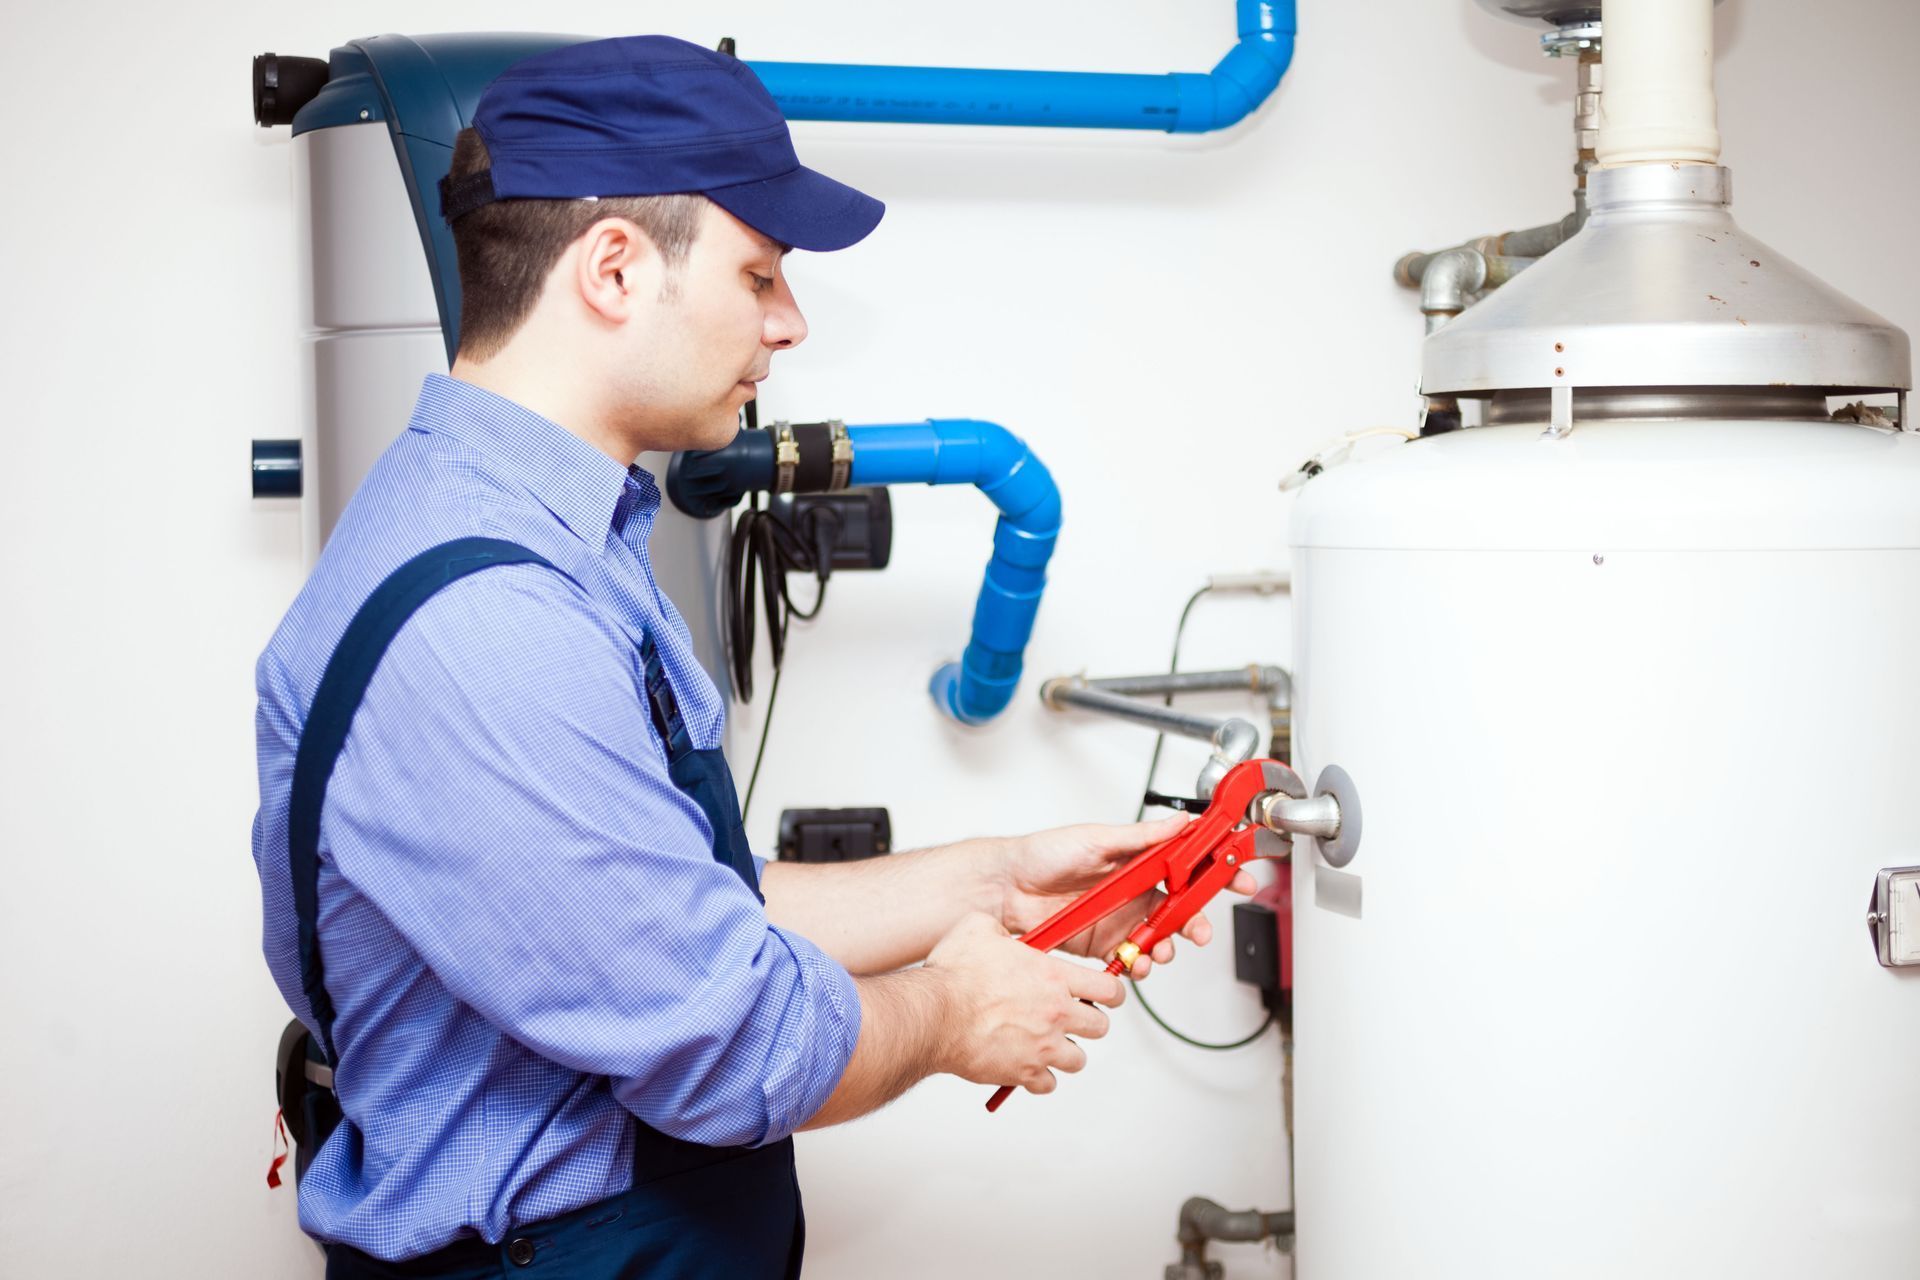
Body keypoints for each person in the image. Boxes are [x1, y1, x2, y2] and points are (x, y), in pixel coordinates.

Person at [251, 34, 1248, 1279]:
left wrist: (997, 882)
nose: (790, 322)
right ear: (613, 269)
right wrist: (953, 1009)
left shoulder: (560, 539)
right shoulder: (487, 622)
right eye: (759, 273)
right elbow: (731, 1044)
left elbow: (680, 908)